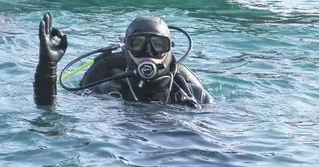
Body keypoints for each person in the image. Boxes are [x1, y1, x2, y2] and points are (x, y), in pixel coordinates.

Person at [34, 12, 212, 107]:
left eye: (158, 45)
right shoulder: (106, 91)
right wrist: (47, 68)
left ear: (170, 49)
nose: (148, 52)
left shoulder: (192, 94)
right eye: (137, 44)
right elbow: (50, 116)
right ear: (126, 48)